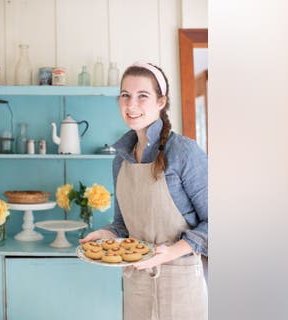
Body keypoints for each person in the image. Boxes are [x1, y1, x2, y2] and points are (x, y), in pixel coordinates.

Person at [80, 62, 208, 319]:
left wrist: (171, 252)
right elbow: (123, 226)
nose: (131, 105)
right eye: (125, 95)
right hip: (136, 283)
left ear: (161, 102)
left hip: (181, 284)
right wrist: (104, 234)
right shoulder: (121, 160)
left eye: (142, 96)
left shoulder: (184, 152)